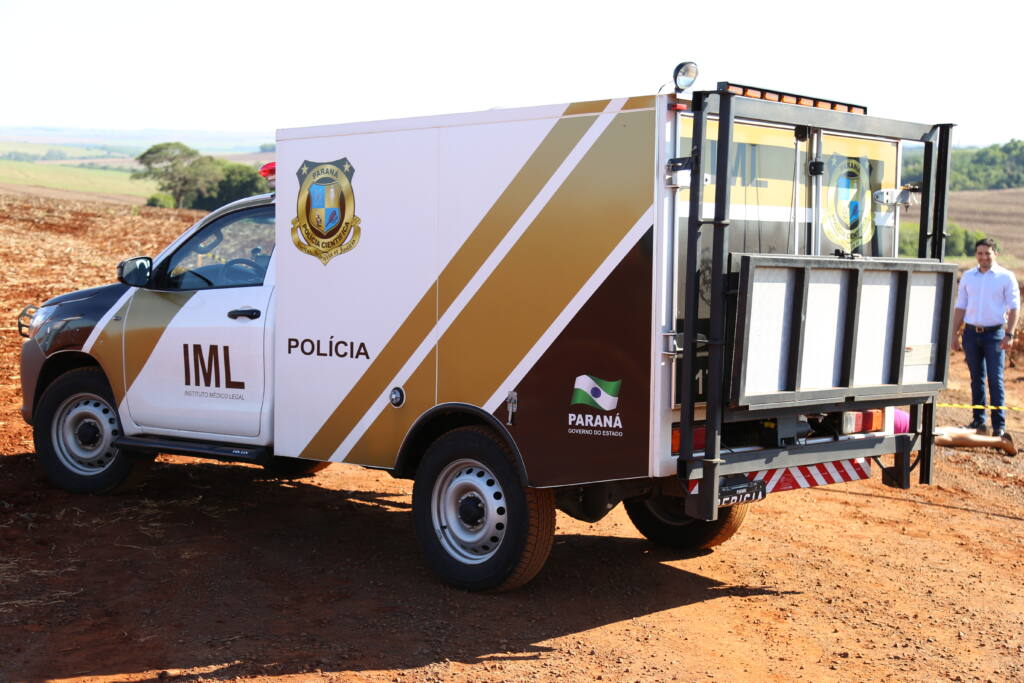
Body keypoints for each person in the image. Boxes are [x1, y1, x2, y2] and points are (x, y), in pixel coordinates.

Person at [951, 238, 1019, 436]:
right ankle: (978, 422)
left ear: (995, 254)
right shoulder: (968, 277)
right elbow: (960, 306)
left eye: (987, 253)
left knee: (995, 380)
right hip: (971, 334)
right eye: (980, 253)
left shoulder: (1006, 277)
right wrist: (954, 333)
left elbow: (1015, 307)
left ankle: (999, 427)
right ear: (976, 255)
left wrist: (1009, 334)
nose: (983, 257)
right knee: (976, 379)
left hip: (995, 335)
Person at [894, 409, 1017, 456]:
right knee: (938, 432)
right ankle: (977, 431)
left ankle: (1000, 441)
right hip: (897, 418)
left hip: (897, 424)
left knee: (944, 437)